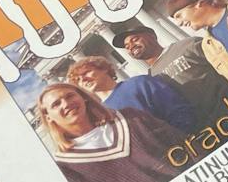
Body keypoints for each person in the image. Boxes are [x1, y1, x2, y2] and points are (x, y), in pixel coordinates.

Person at [36, 83, 185, 182]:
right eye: (56, 104)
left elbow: (185, 144)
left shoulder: (131, 118)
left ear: (84, 98)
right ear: (48, 117)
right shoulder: (65, 169)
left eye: (69, 96)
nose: (66, 104)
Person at [111, 19, 228, 127]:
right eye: (127, 47)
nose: (131, 47)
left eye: (134, 39)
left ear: (152, 36)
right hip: (209, 130)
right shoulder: (149, 79)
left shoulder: (188, 45)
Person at [66, 55, 194, 132]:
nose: (83, 79)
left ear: (104, 69)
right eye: (78, 80)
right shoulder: (97, 114)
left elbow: (178, 110)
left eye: (86, 72)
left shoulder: (140, 83)